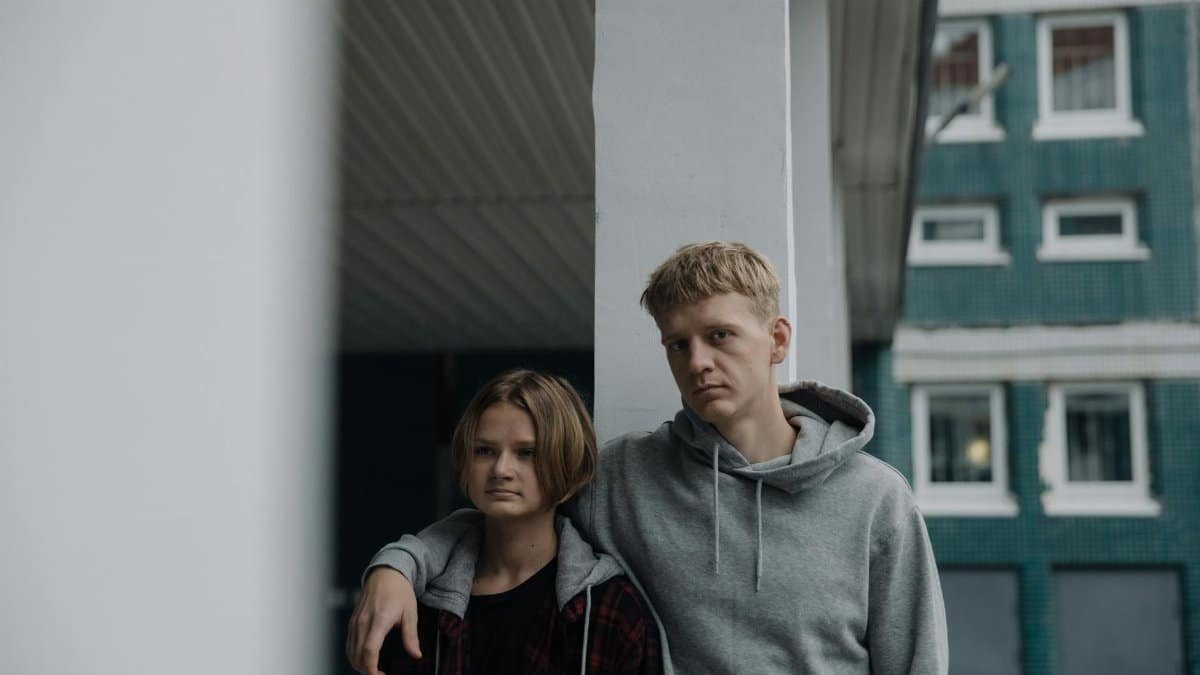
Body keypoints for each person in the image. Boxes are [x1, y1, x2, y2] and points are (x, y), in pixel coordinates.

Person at [349, 242, 948, 674]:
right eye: (677, 344)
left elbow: (917, 662)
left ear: (777, 340)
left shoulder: (876, 499)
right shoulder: (624, 477)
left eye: (720, 335)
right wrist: (398, 566)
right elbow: (505, 512)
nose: (697, 362)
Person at [377, 368, 661, 675]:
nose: (501, 469)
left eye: (526, 452)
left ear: (566, 462)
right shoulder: (417, 598)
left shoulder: (610, 607)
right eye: (485, 450)